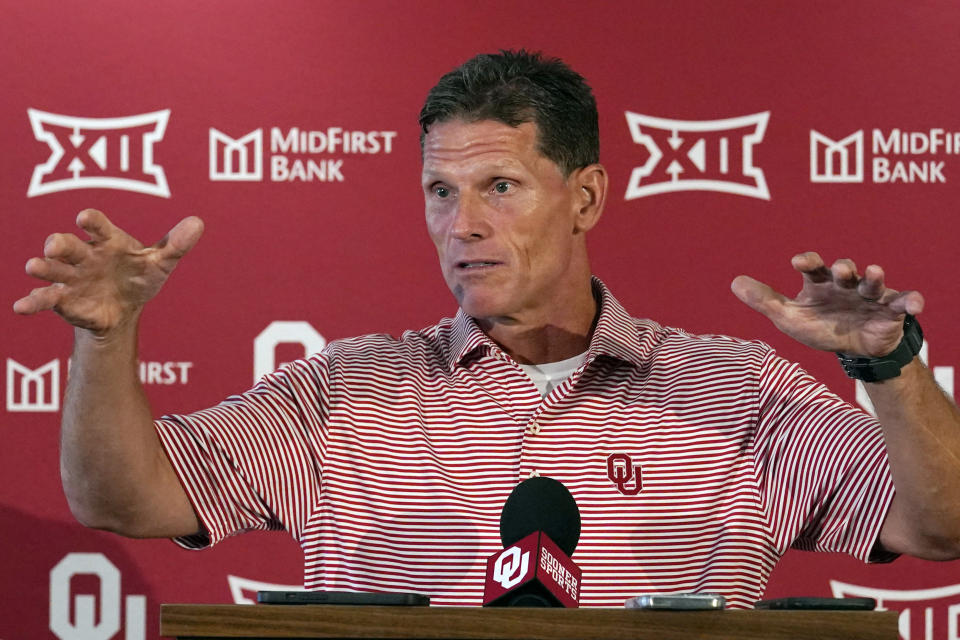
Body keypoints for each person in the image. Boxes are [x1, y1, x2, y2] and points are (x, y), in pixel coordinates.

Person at [13, 50, 960, 608]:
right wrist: (106, 338)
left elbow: (942, 525)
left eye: (498, 188)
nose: (461, 225)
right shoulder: (344, 392)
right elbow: (125, 501)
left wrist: (891, 366)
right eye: (439, 191)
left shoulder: (739, 395)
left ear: (584, 196)